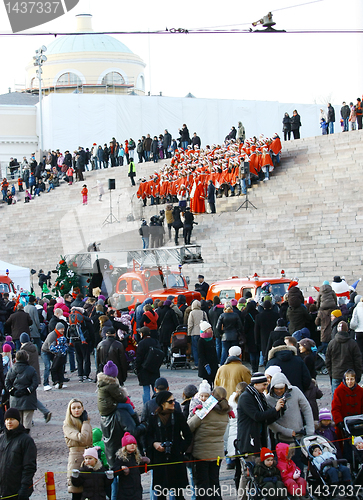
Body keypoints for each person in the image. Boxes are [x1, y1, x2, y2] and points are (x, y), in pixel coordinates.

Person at [146, 391, 192, 500]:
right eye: (170, 401)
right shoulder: (153, 418)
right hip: (160, 460)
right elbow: (147, 437)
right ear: (162, 403)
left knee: (179, 495)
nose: (173, 403)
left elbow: (188, 436)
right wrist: (154, 444)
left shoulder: (178, 416)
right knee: (161, 494)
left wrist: (180, 449)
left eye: (174, 400)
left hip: (175, 459)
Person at [187, 386, 230, 500]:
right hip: (217, 454)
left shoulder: (205, 411)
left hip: (202, 453)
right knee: (214, 482)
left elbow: (189, 426)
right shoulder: (225, 412)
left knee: (202, 485)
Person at [266, 372, 314, 471]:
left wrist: (310, 430)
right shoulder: (268, 399)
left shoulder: (295, 391)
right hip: (281, 439)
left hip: (298, 436)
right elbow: (270, 422)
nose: (279, 391)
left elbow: (306, 408)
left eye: (281, 388)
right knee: (284, 468)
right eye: (276, 389)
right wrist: (286, 432)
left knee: (298, 467)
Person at [0, 407, 37, 500]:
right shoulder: (2, 439)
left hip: (17, 490)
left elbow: (29, 467)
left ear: (18, 421)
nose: (9, 422)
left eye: (12, 419)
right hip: (3, 489)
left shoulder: (26, 440)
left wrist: (24, 487)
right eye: (7, 419)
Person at [63, 398, 93, 500]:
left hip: (88, 457)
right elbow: (83, 438)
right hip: (76, 459)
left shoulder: (86, 422)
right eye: (74, 408)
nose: (77, 410)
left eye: (79, 408)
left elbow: (90, 441)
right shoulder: (68, 425)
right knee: (77, 492)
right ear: (70, 410)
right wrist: (85, 423)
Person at [5, 350, 38, 434]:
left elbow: (7, 382)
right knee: (27, 423)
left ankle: (18, 440)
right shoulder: (31, 369)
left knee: (17, 422)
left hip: (15, 400)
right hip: (28, 399)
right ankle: (26, 441)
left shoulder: (12, 369)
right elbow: (35, 383)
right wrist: (27, 390)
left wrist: (13, 391)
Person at [326, 321, 363, 395]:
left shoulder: (332, 343)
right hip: (349, 375)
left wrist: (331, 373)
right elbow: (358, 361)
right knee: (349, 399)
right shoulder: (352, 343)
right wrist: (358, 375)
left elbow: (328, 361)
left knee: (336, 398)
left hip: (336, 374)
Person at [112, 432, 150, 500]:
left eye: (134, 444)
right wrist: (121, 469)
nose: (132, 445)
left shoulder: (136, 457)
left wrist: (146, 463)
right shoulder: (121, 458)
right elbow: (113, 471)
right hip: (125, 492)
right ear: (125, 446)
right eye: (130, 444)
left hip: (137, 490)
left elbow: (140, 471)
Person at [135, 326, 162, 404]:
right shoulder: (155, 341)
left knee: (146, 390)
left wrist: (137, 367)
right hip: (154, 368)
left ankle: (147, 406)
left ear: (142, 334)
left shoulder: (141, 343)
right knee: (155, 389)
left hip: (144, 369)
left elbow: (139, 357)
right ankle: (157, 404)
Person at [197, 321, 218, 387]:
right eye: (209, 328)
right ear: (205, 330)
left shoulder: (211, 339)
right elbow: (201, 354)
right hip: (206, 365)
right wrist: (206, 364)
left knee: (215, 383)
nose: (211, 330)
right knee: (208, 384)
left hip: (213, 364)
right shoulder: (201, 341)